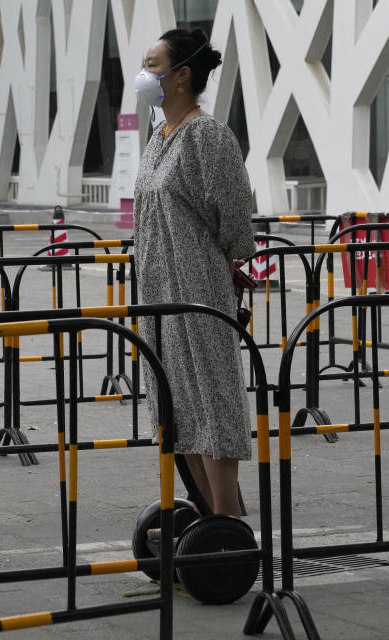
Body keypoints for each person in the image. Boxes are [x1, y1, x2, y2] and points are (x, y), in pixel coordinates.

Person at [132, 28, 255, 516]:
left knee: (212, 398)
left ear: (181, 76)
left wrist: (222, 260)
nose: (144, 75)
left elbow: (235, 217)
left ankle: (226, 522)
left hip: (197, 285)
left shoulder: (208, 135)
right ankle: (212, 519)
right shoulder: (157, 135)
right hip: (156, 288)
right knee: (175, 404)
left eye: (153, 64)